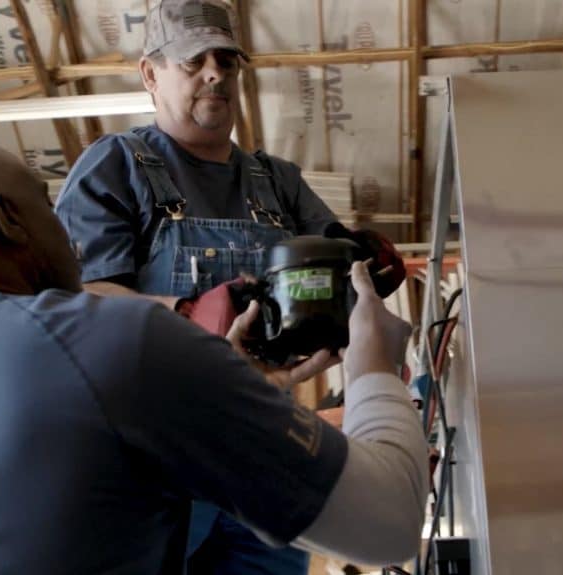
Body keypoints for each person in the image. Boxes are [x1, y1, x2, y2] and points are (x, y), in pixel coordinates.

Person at [0, 137, 428, 574]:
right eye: (49, 209)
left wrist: (224, 391)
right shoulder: (113, 339)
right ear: (8, 218)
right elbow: (389, 523)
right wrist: (375, 365)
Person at [54, 1, 404, 570]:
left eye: (226, 60)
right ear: (150, 74)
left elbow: (331, 258)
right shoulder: (115, 167)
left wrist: (362, 260)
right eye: (194, 61)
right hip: (154, 456)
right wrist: (189, 310)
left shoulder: (277, 181)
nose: (215, 72)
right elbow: (76, 299)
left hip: (261, 446)